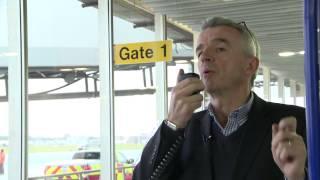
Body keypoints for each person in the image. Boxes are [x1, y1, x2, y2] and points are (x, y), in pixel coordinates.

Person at [133, 17, 307, 180]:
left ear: (250, 66)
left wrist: (297, 177)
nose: (204, 57)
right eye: (200, 52)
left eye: (220, 49)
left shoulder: (299, 124)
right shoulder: (183, 130)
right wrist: (171, 125)